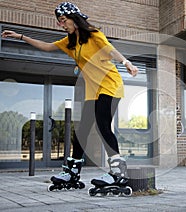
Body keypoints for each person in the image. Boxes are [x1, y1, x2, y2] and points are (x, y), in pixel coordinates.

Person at [2, 2, 138, 187]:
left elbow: (110, 49)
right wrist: (21, 36)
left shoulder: (93, 35)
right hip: (92, 91)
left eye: (63, 20)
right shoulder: (69, 42)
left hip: (109, 85)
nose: (61, 25)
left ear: (74, 19)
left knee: (102, 125)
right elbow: (47, 46)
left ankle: (118, 171)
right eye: (59, 22)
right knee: (81, 131)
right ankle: (73, 172)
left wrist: (126, 62)